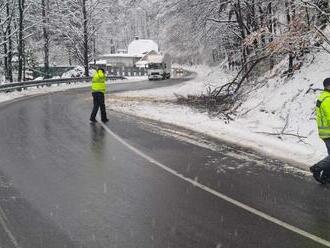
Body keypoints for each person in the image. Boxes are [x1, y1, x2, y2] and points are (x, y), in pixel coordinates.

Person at [310, 78, 330, 184]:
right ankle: (317, 168)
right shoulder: (327, 99)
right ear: (328, 86)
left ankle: (326, 176)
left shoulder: (322, 97)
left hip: (325, 131)